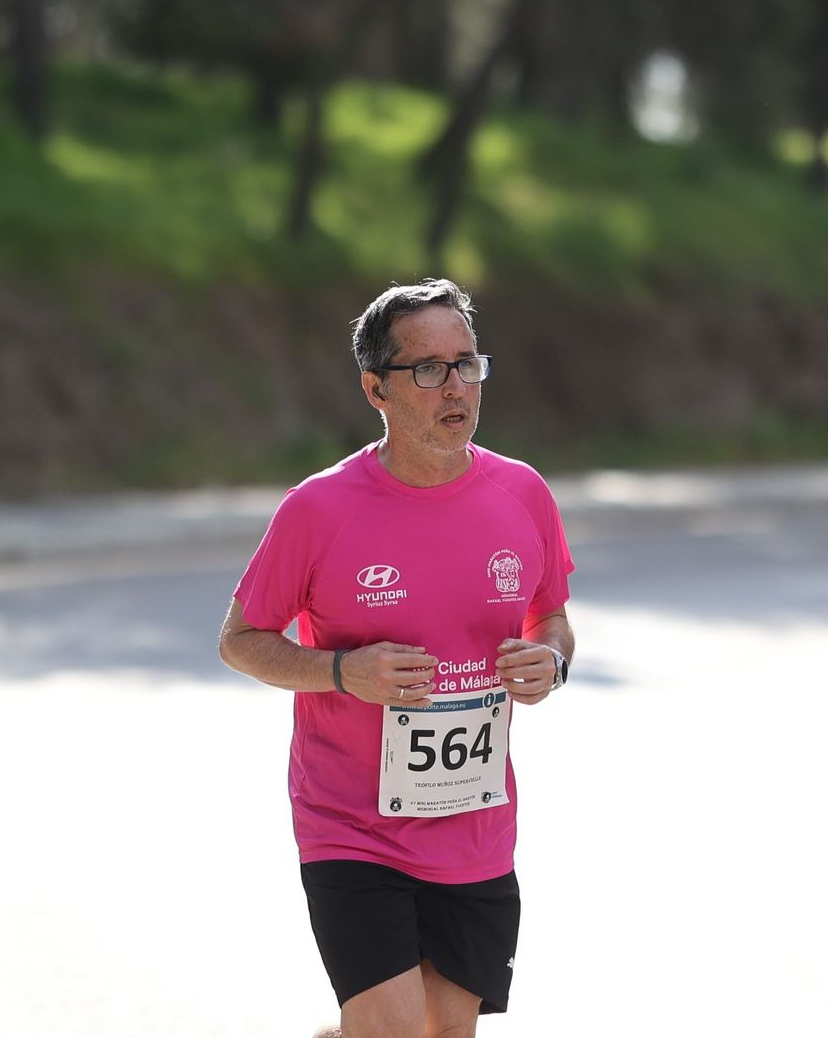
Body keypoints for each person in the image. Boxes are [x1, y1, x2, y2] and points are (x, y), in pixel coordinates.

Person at [218, 278, 575, 1038]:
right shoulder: (319, 509)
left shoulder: (523, 494)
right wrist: (342, 672)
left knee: (442, 1032)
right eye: (428, 369)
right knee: (392, 1032)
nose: (455, 386)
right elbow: (240, 641)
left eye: (467, 364)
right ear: (375, 388)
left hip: (474, 825)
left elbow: (553, 620)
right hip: (352, 824)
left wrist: (551, 663)